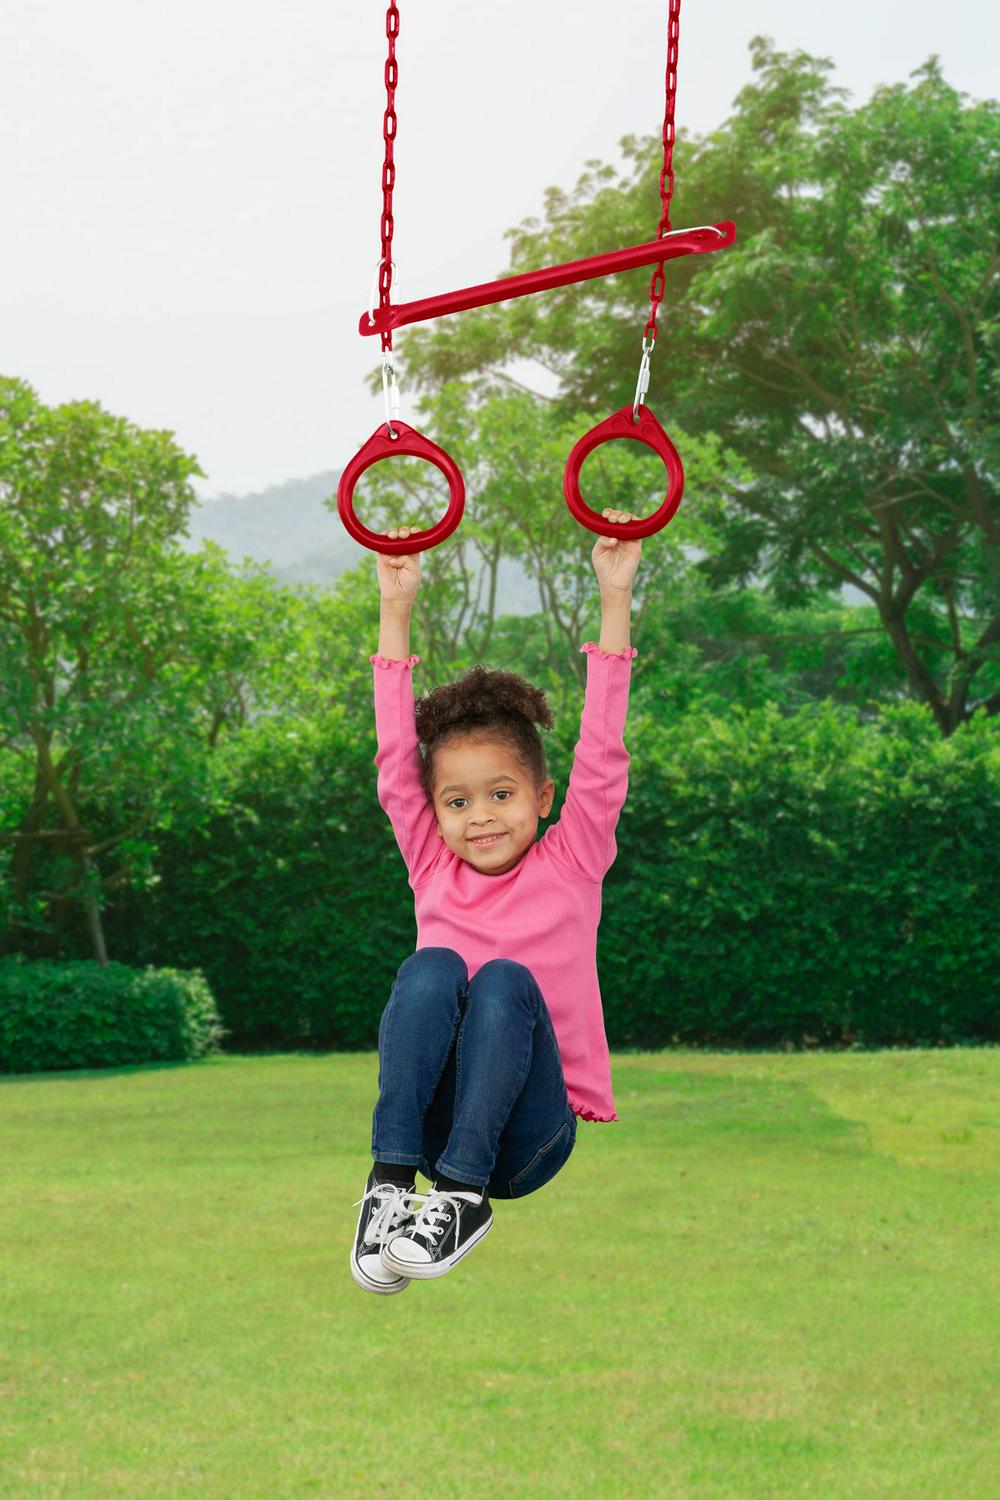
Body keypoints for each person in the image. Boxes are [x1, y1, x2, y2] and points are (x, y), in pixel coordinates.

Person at [351, 507, 643, 1295]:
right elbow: (392, 761)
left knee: (506, 980)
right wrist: (395, 607)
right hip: (438, 1126)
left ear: (543, 798)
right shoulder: (430, 865)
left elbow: (604, 751)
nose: (479, 816)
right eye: (457, 802)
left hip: (528, 1137)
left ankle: (463, 1202)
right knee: (432, 965)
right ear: (433, 809)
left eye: (502, 794)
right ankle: (389, 1189)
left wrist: (614, 595)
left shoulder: (574, 859)